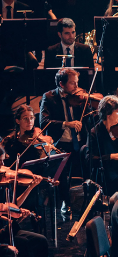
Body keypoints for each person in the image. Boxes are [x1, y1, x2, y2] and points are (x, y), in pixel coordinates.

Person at [39, 68, 86, 214]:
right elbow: (44, 122)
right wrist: (66, 123)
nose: (76, 86)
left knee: (88, 167)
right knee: (62, 175)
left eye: (77, 82)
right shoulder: (49, 97)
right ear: (61, 84)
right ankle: (65, 202)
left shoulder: (79, 97)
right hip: (60, 142)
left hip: (79, 140)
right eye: (72, 83)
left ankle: (90, 200)